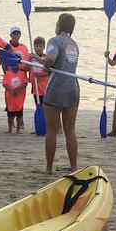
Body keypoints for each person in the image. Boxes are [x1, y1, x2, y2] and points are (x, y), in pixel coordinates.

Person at [42, 13, 81, 173]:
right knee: (70, 130)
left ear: (59, 25)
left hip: (56, 88)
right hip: (72, 89)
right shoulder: (74, 44)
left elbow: (51, 58)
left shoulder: (54, 41)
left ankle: (49, 168)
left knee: (51, 130)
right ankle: (73, 167)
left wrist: (45, 66)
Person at [3, 59, 28, 133]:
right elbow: (5, 84)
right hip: (10, 96)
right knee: (10, 113)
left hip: (19, 96)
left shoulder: (22, 73)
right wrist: (11, 90)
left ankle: (18, 129)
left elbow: (25, 83)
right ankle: (10, 128)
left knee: (19, 113)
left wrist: (17, 89)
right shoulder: (7, 73)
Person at [29, 35, 49, 107]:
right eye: (36, 46)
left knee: (45, 107)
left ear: (44, 47)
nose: (38, 48)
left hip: (44, 88)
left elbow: (48, 72)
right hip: (36, 88)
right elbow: (25, 68)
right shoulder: (31, 58)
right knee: (38, 106)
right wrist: (29, 60)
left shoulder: (46, 58)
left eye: (40, 46)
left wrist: (38, 74)